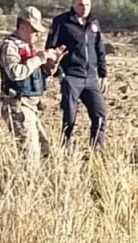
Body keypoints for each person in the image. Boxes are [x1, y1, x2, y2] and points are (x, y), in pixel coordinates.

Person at [0, 7, 64, 164]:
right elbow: (16, 73)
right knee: (30, 154)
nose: (37, 35)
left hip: (31, 106)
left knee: (44, 148)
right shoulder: (10, 46)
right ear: (23, 26)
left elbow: (38, 75)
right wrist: (39, 59)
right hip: (18, 105)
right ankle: (26, 184)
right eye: (34, 30)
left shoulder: (29, 47)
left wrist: (52, 64)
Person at [46, 0, 108, 150]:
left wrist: (103, 74)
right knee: (70, 117)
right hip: (71, 77)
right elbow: (51, 48)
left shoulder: (94, 23)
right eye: (81, 4)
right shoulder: (62, 22)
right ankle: (65, 150)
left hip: (91, 78)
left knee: (100, 114)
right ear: (73, 4)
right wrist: (60, 73)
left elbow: (99, 49)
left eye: (87, 4)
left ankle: (96, 151)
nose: (84, 8)